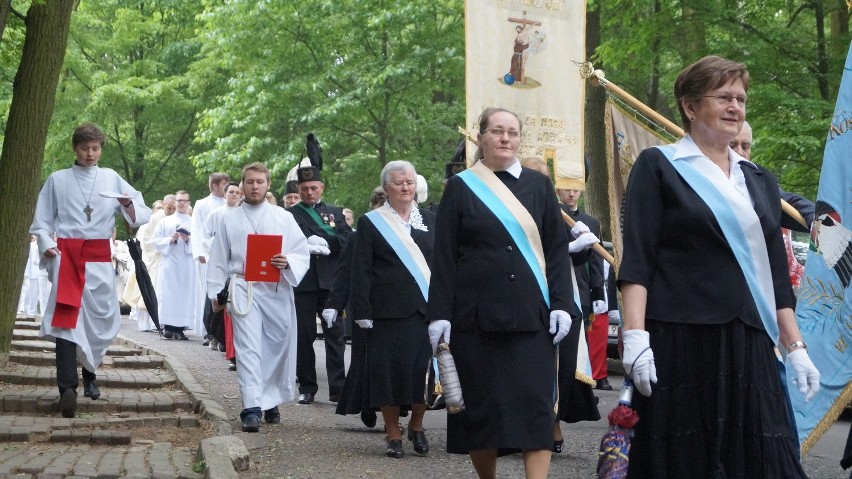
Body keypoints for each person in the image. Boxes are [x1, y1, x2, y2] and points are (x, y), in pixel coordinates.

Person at [618, 55, 820, 477]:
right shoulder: (659, 166)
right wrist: (634, 336)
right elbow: (638, 258)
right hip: (681, 338)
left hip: (749, 340)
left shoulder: (760, 180)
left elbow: (775, 278)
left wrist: (796, 348)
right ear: (690, 108)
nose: (735, 107)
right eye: (724, 97)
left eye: (741, 99)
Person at [426, 107, 575, 478]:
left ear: (520, 139)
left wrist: (561, 304)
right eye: (497, 131)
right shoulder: (462, 187)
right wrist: (439, 313)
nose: (505, 138)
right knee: (482, 412)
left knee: (536, 409)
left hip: (532, 317)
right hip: (477, 320)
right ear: (482, 138)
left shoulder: (540, 186)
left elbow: (556, 251)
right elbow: (444, 257)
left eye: (512, 132)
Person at [30, 122, 151, 418]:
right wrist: (47, 243)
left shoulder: (111, 178)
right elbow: (42, 221)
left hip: (98, 259)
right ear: (75, 148)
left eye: (95, 148)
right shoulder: (57, 180)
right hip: (68, 258)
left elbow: (140, 215)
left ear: (101, 148)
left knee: (100, 321)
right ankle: (67, 388)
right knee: (66, 320)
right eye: (85, 148)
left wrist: (127, 204)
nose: (90, 154)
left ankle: (90, 375)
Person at [207, 162, 309, 432]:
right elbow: (218, 259)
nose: (254, 186)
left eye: (260, 182)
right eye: (249, 182)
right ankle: (251, 407)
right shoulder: (229, 218)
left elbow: (301, 252)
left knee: (275, 347)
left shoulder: (284, 217)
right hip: (243, 288)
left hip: (276, 289)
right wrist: (216, 293)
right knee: (249, 348)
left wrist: (287, 262)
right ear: (242, 185)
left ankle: (268, 398)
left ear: (268, 185)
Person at [348, 162, 436, 458]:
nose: (405, 187)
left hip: (425, 311)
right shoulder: (372, 222)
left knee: (423, 373)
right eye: (399, 183)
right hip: (385, 313)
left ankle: (418, 426)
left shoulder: (432, 221)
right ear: (386, 188)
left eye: (410, 182)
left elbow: (444, 268)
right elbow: (361, 270)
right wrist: (362, 311)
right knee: (388, 375)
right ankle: (393, 432)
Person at [287, 166, 353, 405]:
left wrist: (326, 241)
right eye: (304, 189)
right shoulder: (290, 214)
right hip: (303, 282)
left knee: (334, 335)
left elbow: (347, 239)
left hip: (330, 283)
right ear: (298, 189)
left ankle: (338, 387)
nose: (309, 193)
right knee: (303, 336)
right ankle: (307, 386)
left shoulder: (335, 213)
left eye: (314, 188)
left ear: (322, 188)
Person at [730, 120, 814, 288]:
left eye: (745, 147)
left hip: (756, 282)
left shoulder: (760, 181)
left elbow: (789, 202)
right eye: (732, 145)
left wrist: (816, 219)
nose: (740, 152)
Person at [329, 186, 386, 428]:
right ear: (372, 207)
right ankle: (366, 403)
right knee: (364, 359)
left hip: (396, 307)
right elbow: (344, 275)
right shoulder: (357, 236)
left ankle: (392, 410)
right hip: (365, 306)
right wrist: (334, 304)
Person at [557, 187, 609, 390]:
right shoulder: (551, 213)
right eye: (567, 190)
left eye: (576, 190)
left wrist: (598, 291)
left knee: (583, 342)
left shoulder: (591, 222)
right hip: (560, 283)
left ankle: (579, 389)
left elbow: (596, 258)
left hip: (581, 287)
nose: (571, 194)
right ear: (557, 190)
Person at [204, 181, 243, 363]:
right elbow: (205, 235)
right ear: (225, 194)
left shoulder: (242, 214)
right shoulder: (216, 214)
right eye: (231, 192)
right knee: (219, 300)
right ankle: (215, 335)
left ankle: (227, 342)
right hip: (220, 260)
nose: (234, 195)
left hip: (237, 267)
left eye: (237, 192)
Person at [191, 172, 230, 345]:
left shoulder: (230, 203)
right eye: (224, 185)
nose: (228, 189)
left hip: (226, 255)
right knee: (208, 292)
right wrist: (200, 251)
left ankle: (221, 332)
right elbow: (197, 229)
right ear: (214, 186)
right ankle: (209, 330)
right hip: (207, 254)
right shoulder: (202, 204)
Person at [153, 190, 197, 341]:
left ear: (189, 202)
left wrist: (187, 240)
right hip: (170, 262)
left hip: (186, 263)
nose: (181, 203)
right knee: (169, 294)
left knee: (184, 295)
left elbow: (200, 244)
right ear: (175, 202)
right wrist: (170, 240)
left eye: (184, 200)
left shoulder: (194, 222)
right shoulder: (165, 221)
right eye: (179, 200)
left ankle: (180, 328)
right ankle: (168, 327)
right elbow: (156, 240)